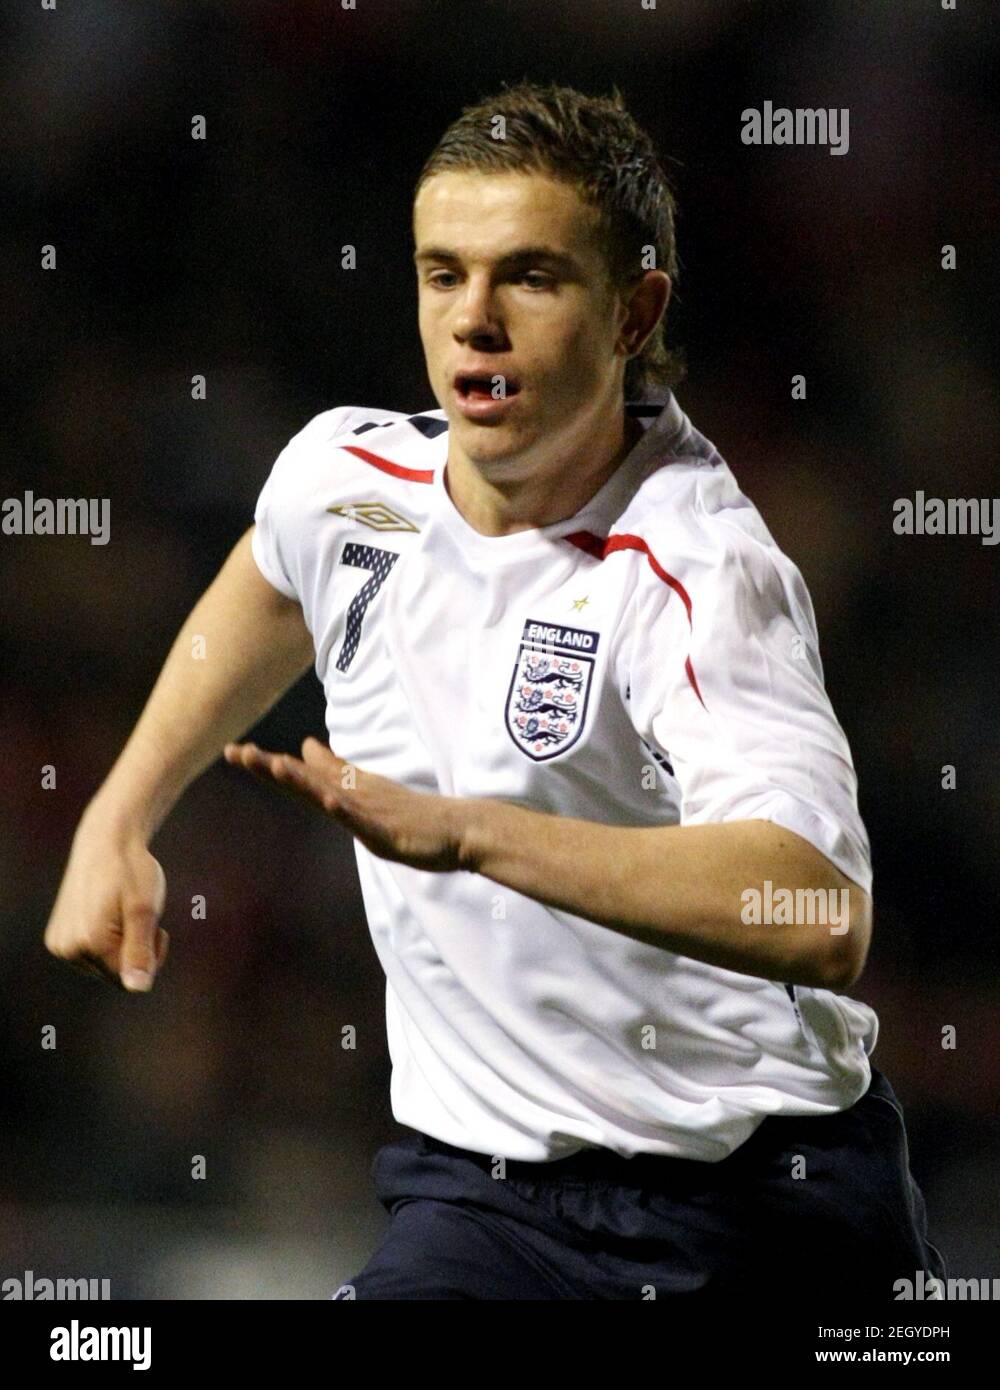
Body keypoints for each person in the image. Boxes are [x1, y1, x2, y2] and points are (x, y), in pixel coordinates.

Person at [44, 82, 946, 1302]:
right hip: (483, 1203)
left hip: (751, 1207)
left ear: (636, 310)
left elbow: (817, 909)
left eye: (529, 276)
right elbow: (264, 589)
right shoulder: (345, 480)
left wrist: (469, 833)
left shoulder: (698, 572)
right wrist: (122, 814)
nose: (473, 318)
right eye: (440, 272)